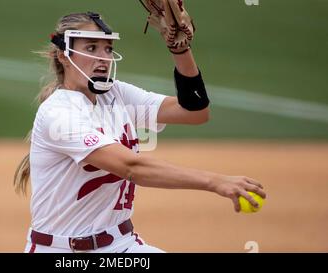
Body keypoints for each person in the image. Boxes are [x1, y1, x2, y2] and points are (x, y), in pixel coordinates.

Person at [14, 11, 266, 253]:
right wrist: (215, 181)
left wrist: (180, 50)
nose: (103, 57)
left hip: (121, 245)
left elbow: (194, 112)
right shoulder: (59, 113)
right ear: (64, 56)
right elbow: (131, 167)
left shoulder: (117, 95)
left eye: (108, 49)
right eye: (91, 48)